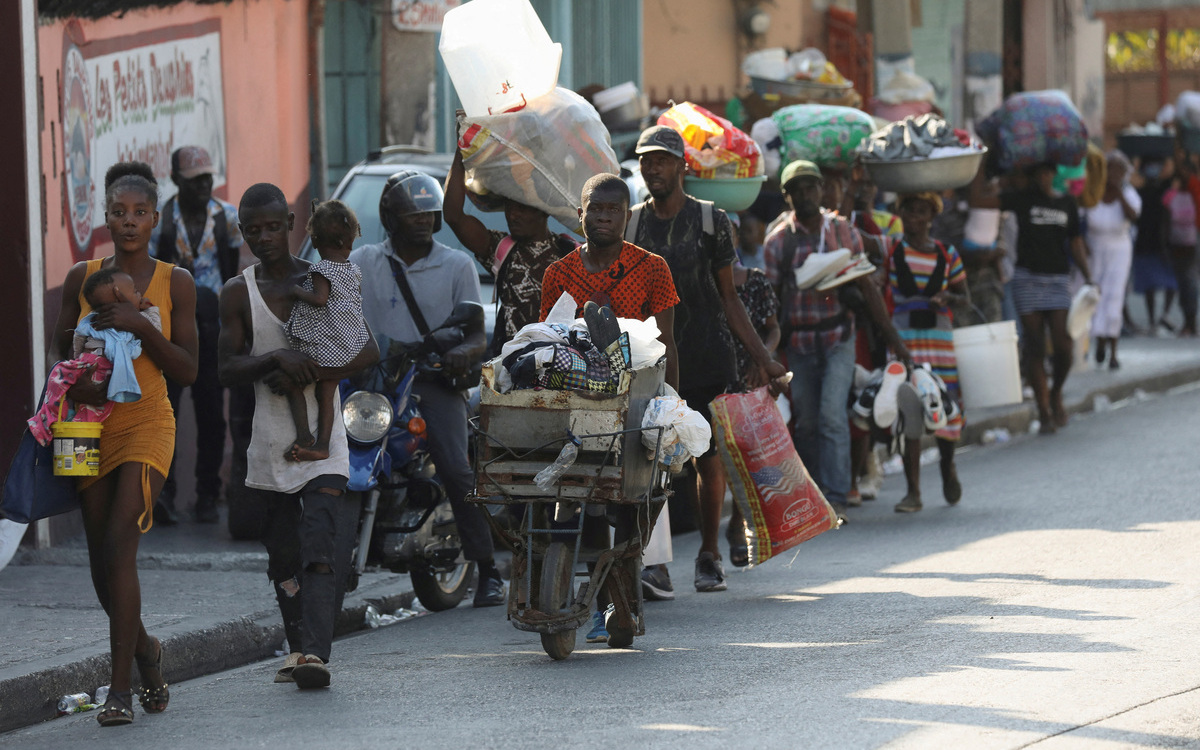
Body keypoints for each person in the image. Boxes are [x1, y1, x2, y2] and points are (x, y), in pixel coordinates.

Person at [47, 162, 198, 725]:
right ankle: (147, 651)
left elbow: (187, 370)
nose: (129, 222)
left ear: (155, 218)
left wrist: (141, 327)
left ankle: (120, 693)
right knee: (99, 562)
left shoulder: (172, 281)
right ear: (105, 217)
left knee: (119, 544)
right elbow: (61, 354)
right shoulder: (80, 277)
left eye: (139, 212)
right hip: (87, 427)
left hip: (145, 425)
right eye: (118, 212)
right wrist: (75, 377)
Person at [218, 183, 378, 689]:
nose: (264, 237)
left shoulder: (323, 278)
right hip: (269, 442)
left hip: (326, 445)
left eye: (272, 226)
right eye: (253, 230)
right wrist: (275, 359)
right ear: (242, 232)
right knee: (283, 555)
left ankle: (315, 654)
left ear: (291, 224)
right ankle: (295, 648)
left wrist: (311, 370)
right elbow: (225, 369)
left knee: (320, 544)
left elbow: (369, 351)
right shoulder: (236, 292)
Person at [626, 125, 786, 596]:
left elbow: (730, 298)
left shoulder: (712, 221)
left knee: (706, 455)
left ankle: (709, 554)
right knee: (647, 457)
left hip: (707, 354)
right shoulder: (633, 224)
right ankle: (654, 563)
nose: (652, 168)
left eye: (661, 159)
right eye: (646, 160)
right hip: (651, 357)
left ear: (682, 166)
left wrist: (763, 358)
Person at [349, 171, 505, 608]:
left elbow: (476, 333)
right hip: (376, 382)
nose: (421, 219)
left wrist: (462, 354)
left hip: (433, 381)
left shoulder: (456, 265)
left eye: (428, 213)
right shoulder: (363, 261)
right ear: (391, 215)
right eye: (411, 212)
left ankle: (488, 568)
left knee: (456, 468)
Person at [539, 171, 679, 647]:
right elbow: (546, 342)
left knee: (628, 507)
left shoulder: (653, 268)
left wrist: (670, 406)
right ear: (580, 214)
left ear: (626, 216)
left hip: (635, 404)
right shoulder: (558, 274)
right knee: (580, 502)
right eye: (594, 209)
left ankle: (619, 599)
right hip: (575, 405)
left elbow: (667, 344)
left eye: (612, 210)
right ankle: (590, 605)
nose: (602, 217)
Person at [763, 160, 912, 517]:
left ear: (820, 190)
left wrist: (896, 342)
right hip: (799, 342)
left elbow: (867, 287)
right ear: (787, 196)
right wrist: (766, 353)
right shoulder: (778, 242)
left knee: (832, 415)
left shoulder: (842, 232)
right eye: (796, 189)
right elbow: (771, 302)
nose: (805, 195)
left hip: (838, 337)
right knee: (808, 421)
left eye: (810, 187)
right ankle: (813, 496)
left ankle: (835, 496)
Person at [150, 146, 244, 524]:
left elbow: (234, 273)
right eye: (195, 180)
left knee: (210, 413)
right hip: (172, 328)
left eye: (207, 177)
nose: (204, 185)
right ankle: (165, 494)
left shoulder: (227, 218)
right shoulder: (162, 222)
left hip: (213, 327)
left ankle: (207, 494)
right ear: (176, 181)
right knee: (166, 412)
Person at [971, 161, 1094, 433]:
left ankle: (1056, 390)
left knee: (1063, 346)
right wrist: (980, 163)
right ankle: (1044, 409)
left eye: (1048, 171)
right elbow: (979, 200)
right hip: (1027, 278)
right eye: (1039, 173)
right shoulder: (1021, 200)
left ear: (1055, 174)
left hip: (1058, 280)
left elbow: (1075, 241)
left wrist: (1089, 275)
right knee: (1035, 344)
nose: (1044, 177)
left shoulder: (1067, 203)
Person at [444, 149, 576, 353]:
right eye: (509, 208)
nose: (513, 216)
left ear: (543, 211)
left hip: (558, 367)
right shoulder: (502, 249)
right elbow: (454, 217)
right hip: (509, 370)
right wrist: (461, 153)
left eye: (522, 209)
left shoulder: (569, 254)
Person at [886, 193, 969, 512]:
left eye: (923, 212)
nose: (916, 218)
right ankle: (913, 491)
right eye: (910, 211)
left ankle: (948, 467)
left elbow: (965, 296)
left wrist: (948, 296)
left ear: (931, 218)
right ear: (901, 214)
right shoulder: (892, 251)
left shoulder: (947, 254)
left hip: (939, 340)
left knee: (943, 403)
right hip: (905, 338)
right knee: (910, 407)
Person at [30, 269, 163, 444]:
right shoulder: (93, 319)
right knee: (57, 377)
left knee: (96, 405)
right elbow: (79, 335)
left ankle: (75, 424)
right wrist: (77, 359)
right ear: (118, 298)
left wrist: (149, 312)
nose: (140, 294)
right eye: (135, 291)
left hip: (107, 368)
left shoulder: (138, 320)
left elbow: (154, 330)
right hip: (85, 363)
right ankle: (48, 417)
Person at [282, 200, 370, 461]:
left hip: (324, 348)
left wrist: (296, 290)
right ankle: (323, 445)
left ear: (316, 242)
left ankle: (304, 436)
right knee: (328, 395)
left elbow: (320, 299)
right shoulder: (354, 271)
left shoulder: (321, 269)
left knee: (292, 383)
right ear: (350, 242)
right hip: (349, 346)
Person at [1086, 152, 1140, 368]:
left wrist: (1118, 194)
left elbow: (1134, 216)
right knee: (1095, 295)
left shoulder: (1128, 194)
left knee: (1115, 295)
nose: (1113, 174)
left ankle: (1113, 350)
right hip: (1094, 249)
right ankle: (1098, 341)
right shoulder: (1092, 194)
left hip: (1119, 248)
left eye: (1118, 170)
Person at [1130, 159, 1176, 336]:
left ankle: (1164, 315)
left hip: (1163, 244)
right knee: (1149, 285)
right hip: (1145, 243)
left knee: (1171, 282)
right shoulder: (1138, 192)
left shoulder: (1166, 190)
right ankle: (1151, 321)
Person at [1164, 172, 1198, 337]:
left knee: (1189, 284)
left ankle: (1191, 322)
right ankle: (1189, 322)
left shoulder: (1194, 192)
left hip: (1190, 245)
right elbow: (1165, 205)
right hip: (1178, 245)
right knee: (1185, 284)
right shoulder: (1174, 195)